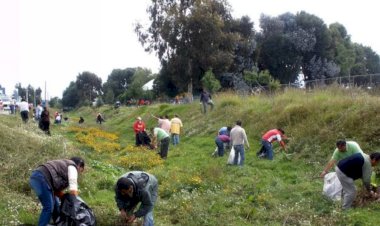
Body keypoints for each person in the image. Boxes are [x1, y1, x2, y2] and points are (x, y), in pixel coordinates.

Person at [29, 157, 85, 226]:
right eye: (81, 171)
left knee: (56, 206)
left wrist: (65, 198)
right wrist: (76, 206)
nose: (79, 173)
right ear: (79, 166)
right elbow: (73, 189)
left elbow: (56, 191)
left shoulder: (65, 165)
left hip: (36, 177)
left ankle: (58, 223)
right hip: (42, 178)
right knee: (49, 207)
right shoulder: (73, 167)